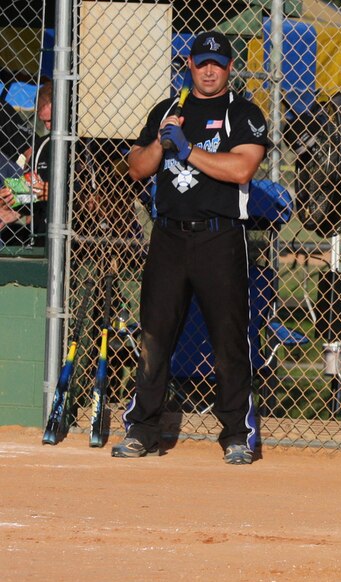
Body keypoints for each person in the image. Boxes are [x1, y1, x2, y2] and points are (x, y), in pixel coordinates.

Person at [113, 31, 269, 464]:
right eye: (202, 63)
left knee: (229, 340)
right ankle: (144, 430)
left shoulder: (244, 112)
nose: (209, 70)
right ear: (190, 65)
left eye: (217, 63)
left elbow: (241, 168)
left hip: (220, 236)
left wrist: (189, 149)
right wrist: (161, 143)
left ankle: (237, 433)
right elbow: (136, 169)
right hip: (168, 236)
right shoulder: (168, 111)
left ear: (230, 67)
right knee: (154, 335)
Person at [0, 81, 51, 246]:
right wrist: (11, 200)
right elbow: (31, 187)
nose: (49, 127)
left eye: (50, 120)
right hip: (41, 228)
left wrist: (49, 191)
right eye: (45, 122)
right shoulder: (42, 146)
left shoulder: (78, 145)